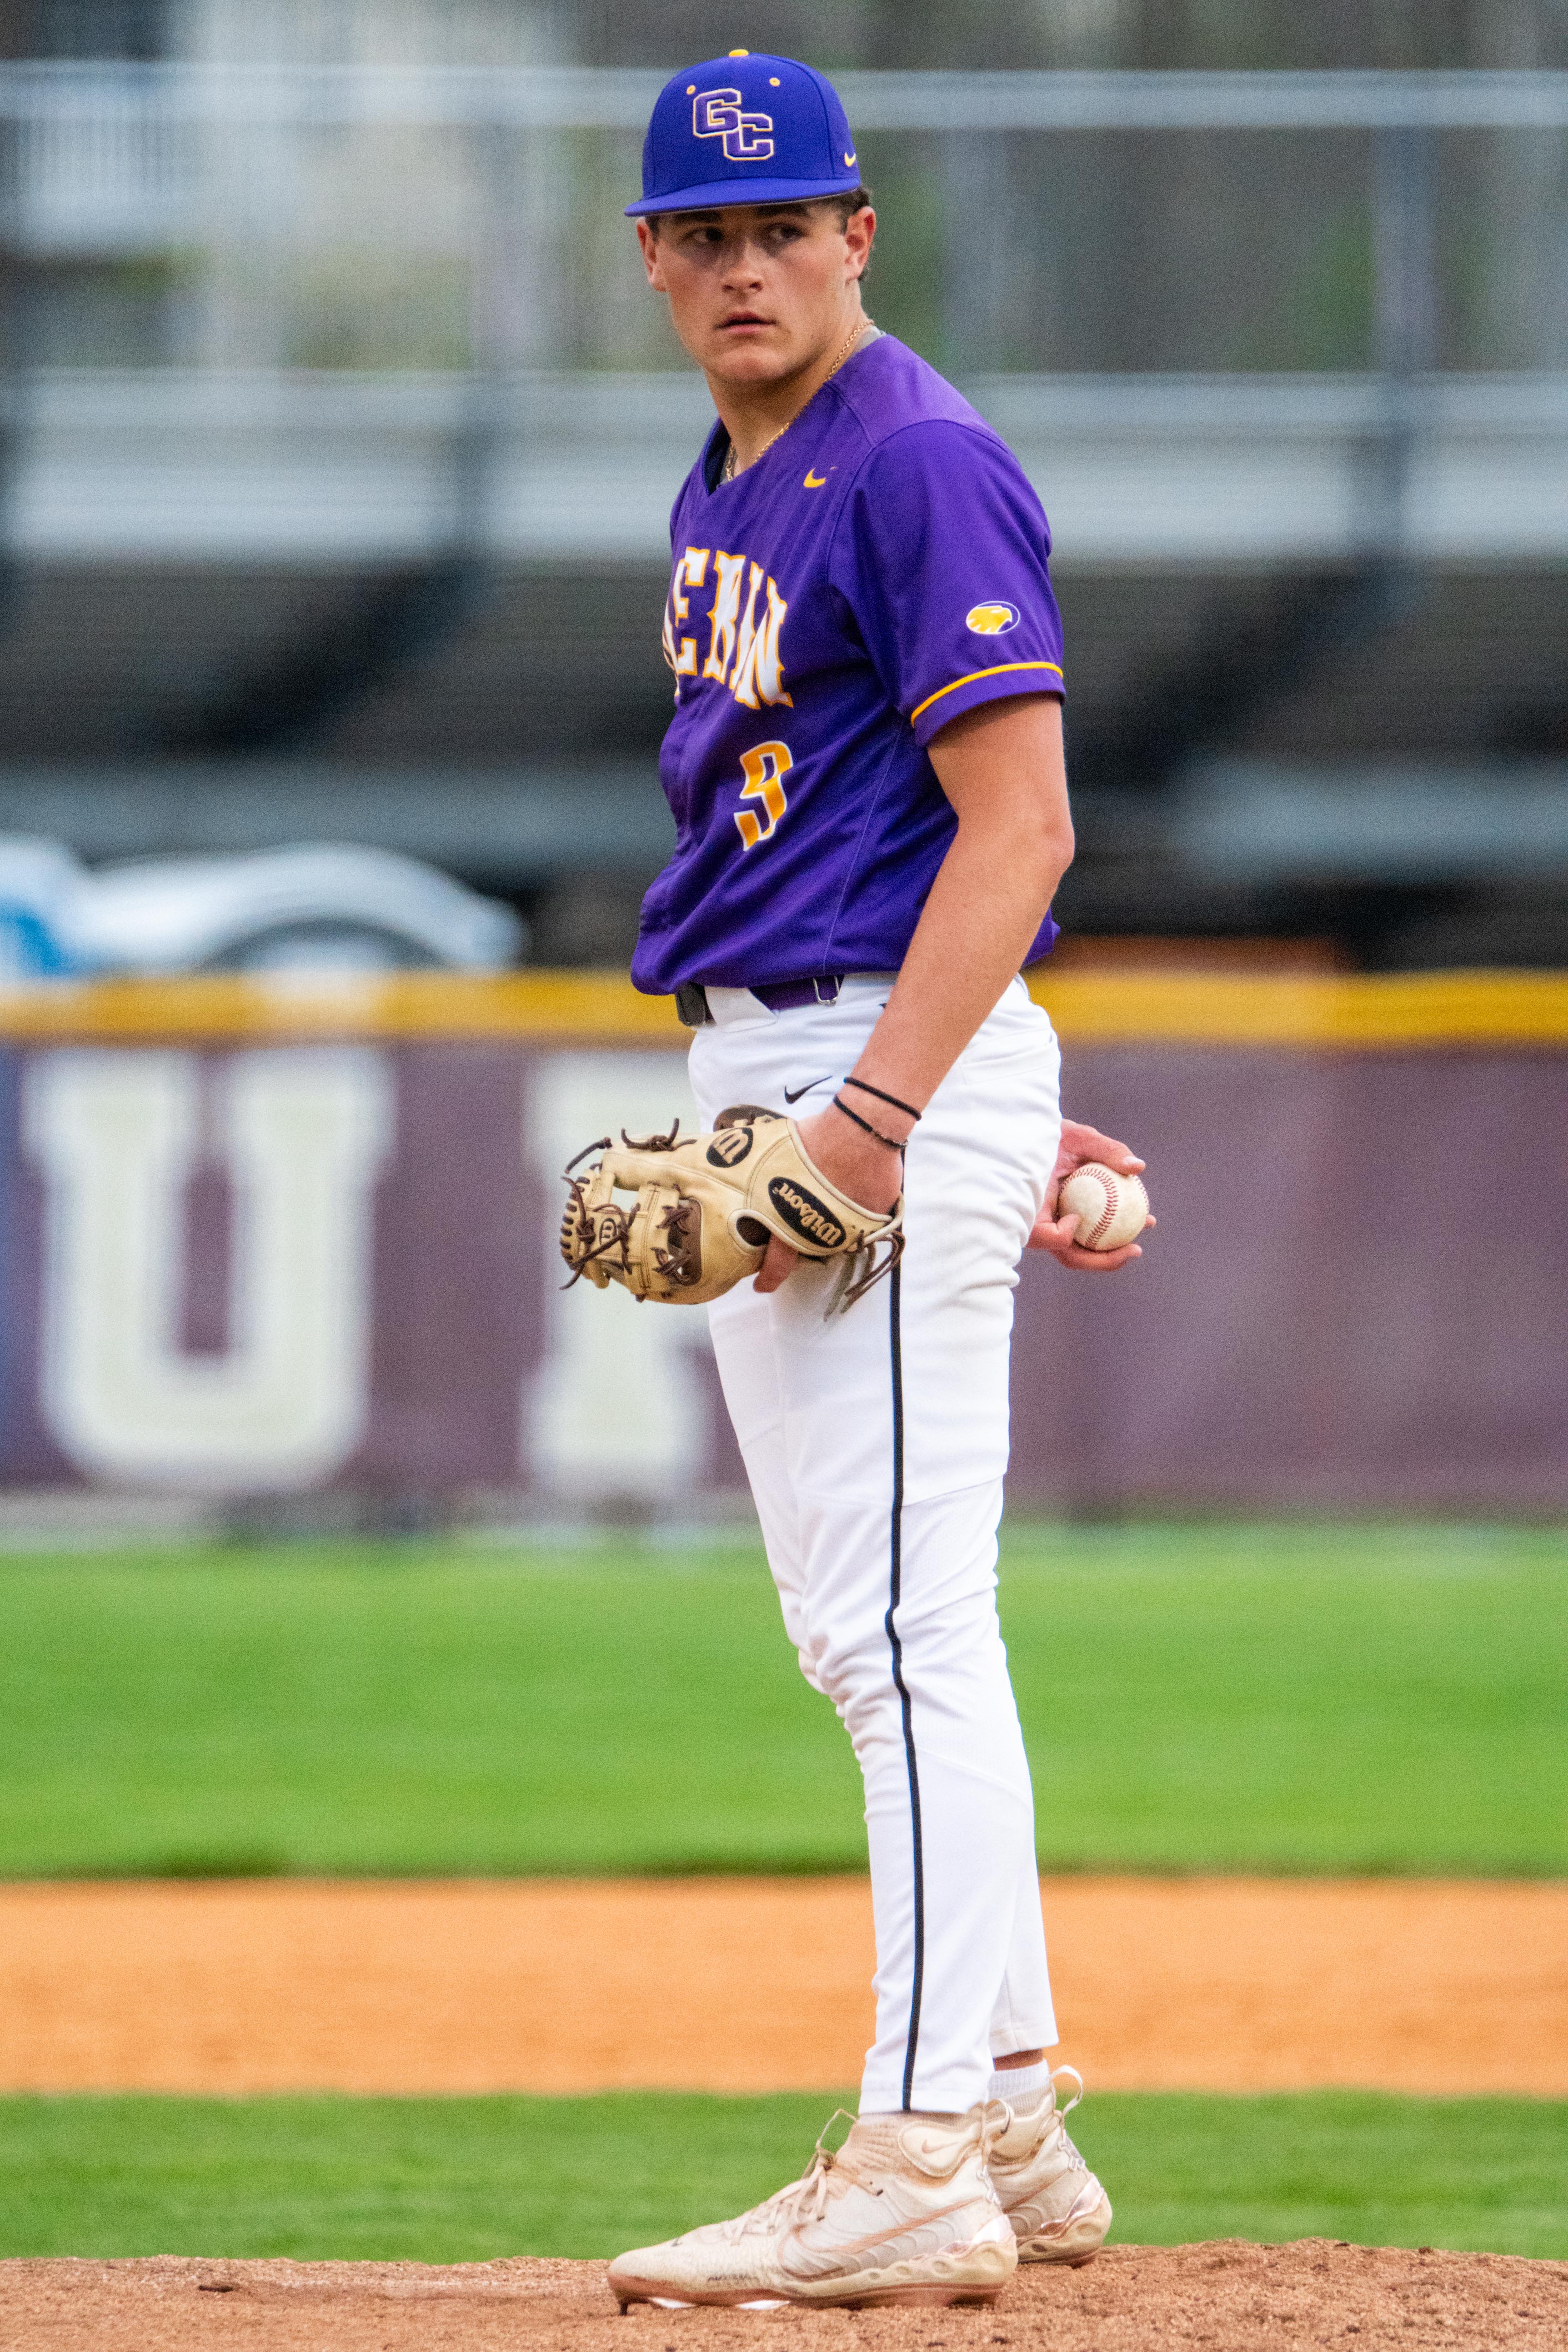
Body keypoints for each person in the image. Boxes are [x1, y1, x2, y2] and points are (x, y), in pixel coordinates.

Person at [606, 50, 1152, 2315]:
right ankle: (1007, 2106)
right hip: (823, 1051)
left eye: (784, 223)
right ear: (653, 260)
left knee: (904, 1637)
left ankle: (914, 2147)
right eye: (704, 234)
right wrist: (987, 1090)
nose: (747, 263)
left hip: (858, 1076)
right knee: (876, 1635)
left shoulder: (913, 456)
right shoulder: (735, 476)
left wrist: (899, 1113)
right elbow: (886, 832)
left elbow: (1015, 828)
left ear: (859, 231)